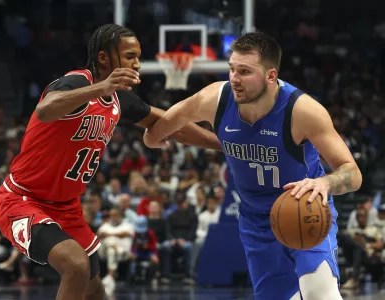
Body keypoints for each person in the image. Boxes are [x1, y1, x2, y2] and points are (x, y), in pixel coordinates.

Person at [0, 24, 221, 300]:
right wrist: (100, 86)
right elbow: (45, 109)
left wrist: (222, 146)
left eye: (138, 56)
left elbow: (170, 123)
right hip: (22, 199)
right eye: (129, 56)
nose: (137, 63)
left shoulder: (119, 99)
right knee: (75, 266)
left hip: (67, 208)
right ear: (104, 58)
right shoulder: (76, 82)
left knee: (94, 289)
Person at [144, 31, 362, 299]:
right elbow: (159, 130)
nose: (235, 79)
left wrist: (324, 183)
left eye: (245, 71)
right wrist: (153, 138)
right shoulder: (214, 99)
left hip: (304, 208)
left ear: (271, 76)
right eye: (232, 69)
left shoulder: (303, 111)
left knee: (319, 292)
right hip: (256, 221)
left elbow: (352, 173)